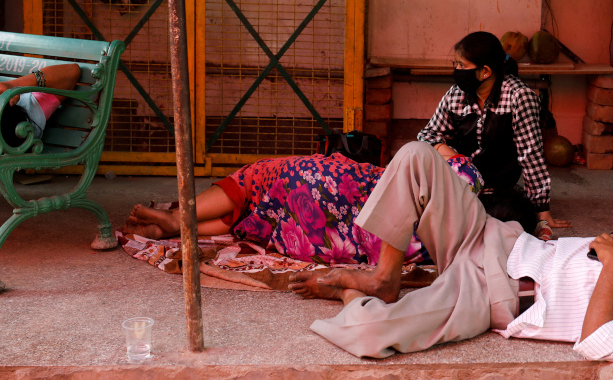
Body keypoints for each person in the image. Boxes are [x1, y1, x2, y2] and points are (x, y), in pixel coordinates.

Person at [290, 142, 613, 361]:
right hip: (499, 239)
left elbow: (597, 345)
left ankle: (355, 299)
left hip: (497, 295)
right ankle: (382, 279)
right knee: (417, 156)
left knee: (371, 332)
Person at [123, 149, 535, 266]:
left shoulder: (468, 179)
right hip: (321, 240)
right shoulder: (457, 252)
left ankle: (182, 216)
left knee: (259, 178)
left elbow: (434, 151)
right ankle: (180, 227)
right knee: (261, 219)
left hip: (333, 186)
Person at [418, 31, 570, 232]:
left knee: (503, 219)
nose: (457, 70)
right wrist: (451, 156)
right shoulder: (455, 94)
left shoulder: (519, 97)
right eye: (455, 64)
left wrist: (542, 211)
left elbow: (531, 155)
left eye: (462, 65)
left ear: (485, 72)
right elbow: (427, 135)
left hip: (498, 184)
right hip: (460, 178)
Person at [1, 64, 82, 149]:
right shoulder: (30, 109)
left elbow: (72, 71)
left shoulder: (28, 108)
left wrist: (10, 86)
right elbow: (72, 71)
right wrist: (11, 86)